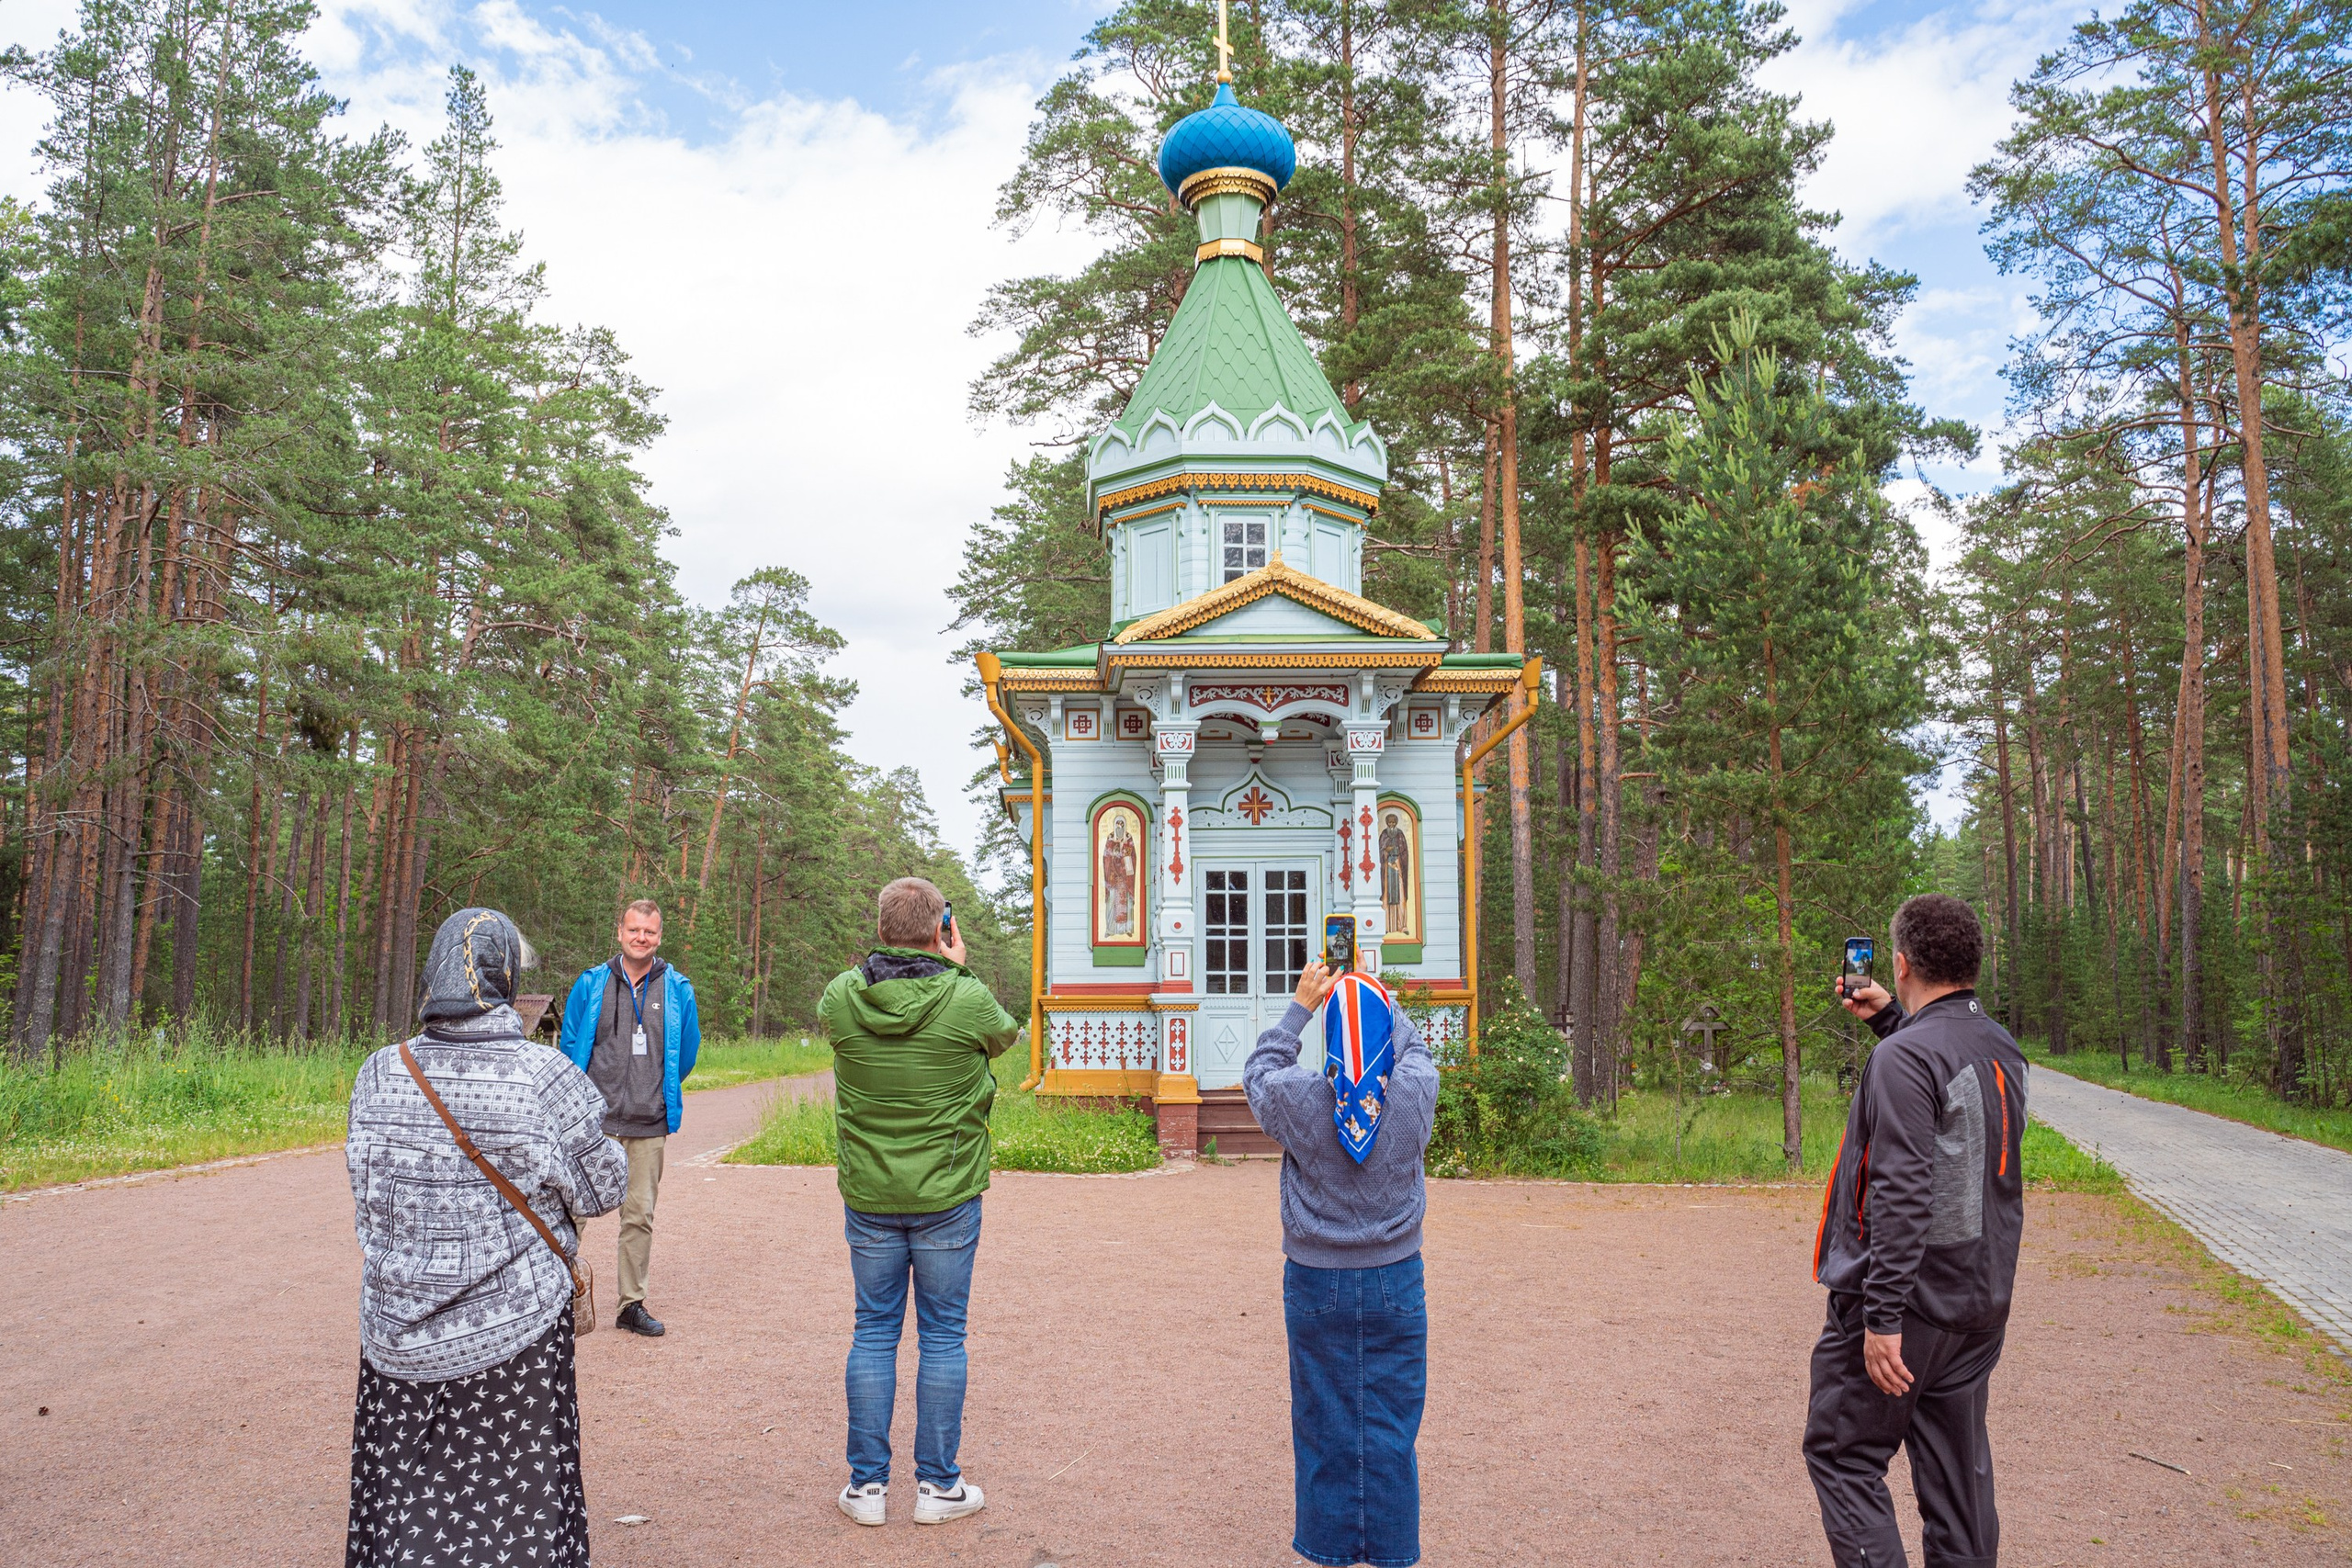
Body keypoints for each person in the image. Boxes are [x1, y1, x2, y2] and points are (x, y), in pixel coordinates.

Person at [345, 908, 628, 1568]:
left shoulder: (379, 1071)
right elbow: (603, 1189)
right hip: (513, 1332)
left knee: (409, 1496)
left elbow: (366, 1193)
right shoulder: (544, 1075)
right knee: (509, 1501)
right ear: (504, 977)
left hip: (395, 1331)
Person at [1810, 893, 2029, 1568]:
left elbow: (1903, 1189)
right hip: (1976, 1303)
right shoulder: (1999, 1046)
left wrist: (1880, 1316)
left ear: (1900, 962)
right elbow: (1947, 1104)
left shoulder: (1906, 1058)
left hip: (1907, 1306)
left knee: (1844, 1456)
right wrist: (1892, 1022)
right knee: (1956, 1481)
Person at [819, 876, 1021, 1528]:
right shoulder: (967, 998)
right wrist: (952, 967)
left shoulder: (843, 997)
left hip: (870, 1194)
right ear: (943, 928)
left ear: (880, 930)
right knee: (943, 1335)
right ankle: (937, 1486)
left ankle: (867, 1489)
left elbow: (838, 1018)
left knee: (873, 1331)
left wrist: (933, 959)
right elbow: (1006, 1036)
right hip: (949, 1193)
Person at [1243, 944, 1440, 1568]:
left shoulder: (1301, 1098)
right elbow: (1415, 1050)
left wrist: (1302, 1007)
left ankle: (1328, 1552)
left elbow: (1257, 1071)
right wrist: (1377, 996)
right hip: (1396, 1279)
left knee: (1323, 1423)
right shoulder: (1413, 1092)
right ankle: (1390, 1554)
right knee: (1392, 1428)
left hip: (1316, 1281)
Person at [559, 897, 702, 1337]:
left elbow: (688, 1052)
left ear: (660, 937)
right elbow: (569, 1046)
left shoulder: (678, 989)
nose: (642, 938)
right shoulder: (590, 984)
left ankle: (630, 1305)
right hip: (592, 1125)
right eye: (635, 930)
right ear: (620, 933)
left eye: (651, 932)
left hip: (647, 1122)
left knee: (639, 1216)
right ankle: (556, 1300)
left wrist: (656, 1093)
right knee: (571, 1213)